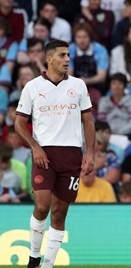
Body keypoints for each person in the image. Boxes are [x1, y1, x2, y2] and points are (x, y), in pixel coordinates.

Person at [15, 39, 95, 268]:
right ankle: (33, 257)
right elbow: (19, 123)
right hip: (44, 155)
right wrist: (35, 146)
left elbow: (88, 122)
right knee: (42, 206)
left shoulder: (79, 85)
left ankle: (47, 264)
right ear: (49, 59)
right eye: (62, 55)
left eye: (68, 55)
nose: (67, 59)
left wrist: (89, 153)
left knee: (59, 213)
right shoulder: (32, 87)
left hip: (71, 156)